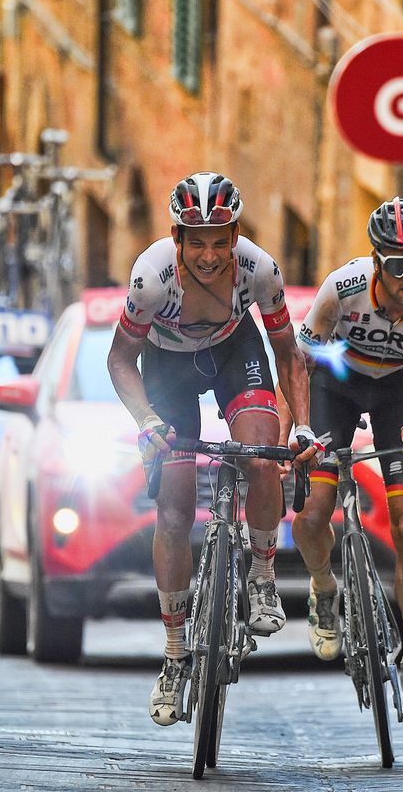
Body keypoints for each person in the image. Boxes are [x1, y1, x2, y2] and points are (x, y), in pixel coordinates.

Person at [107, 172, 318, 727]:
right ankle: (175, 655)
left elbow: (288, 354)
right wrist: (148, 419)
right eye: (195, 242)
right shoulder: (150, 279)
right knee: (175, 508)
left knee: (261, 450)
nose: (208, 254)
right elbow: (119, 361)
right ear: (176, 240)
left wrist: (302, 429)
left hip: (232, 352)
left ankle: (263, 576)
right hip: (168, 370)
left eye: (218, 240)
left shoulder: (260, 270)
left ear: (235, 236)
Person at [284, 197, 403, 718]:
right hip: (334, 387)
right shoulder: (341, 289)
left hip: (398, 393)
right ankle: (323, 588)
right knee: (315, 513)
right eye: (397, 264)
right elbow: (300, 365)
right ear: (376, 260)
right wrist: (294, 429)